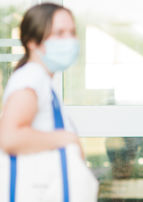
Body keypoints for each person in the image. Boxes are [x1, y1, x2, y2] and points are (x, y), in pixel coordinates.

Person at [0, 3, 83, 156]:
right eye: (59, 33)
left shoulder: (40, 78)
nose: (69, 40)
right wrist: (66, 138)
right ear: (32, 41)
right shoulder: (31, 78)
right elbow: (9, 138)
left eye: (72, 32)